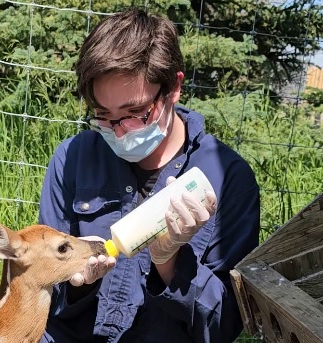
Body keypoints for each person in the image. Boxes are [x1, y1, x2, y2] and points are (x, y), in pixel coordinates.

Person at [38, 8, 260, 343]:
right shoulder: (72, 157)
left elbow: (224, 326)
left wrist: (170, 262)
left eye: (135, 113)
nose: (120, 131)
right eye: (103, 115)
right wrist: (75, 281)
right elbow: (40, 295)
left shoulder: (228, 179)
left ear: (173, 89)